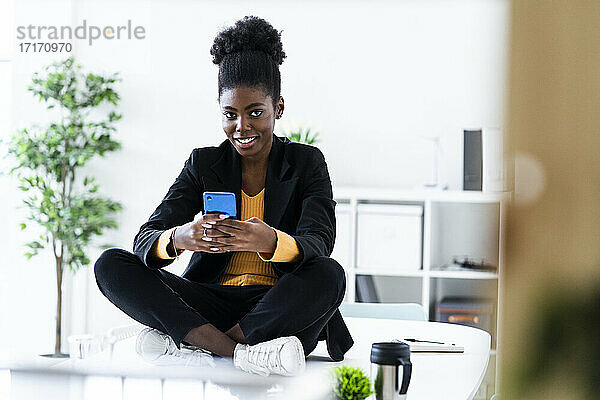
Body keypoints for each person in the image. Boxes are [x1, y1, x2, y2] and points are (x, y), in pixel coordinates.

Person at [94, 15, 353, 377]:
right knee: (110, 264)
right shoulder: (205, 163)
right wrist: (180, 237)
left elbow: (319, 241)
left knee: (330, 275)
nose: (242, 127)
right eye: (230, 114)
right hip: (209, 301)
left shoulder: (306, 162)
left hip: (278, 305)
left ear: (278, 108)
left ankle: (202, 346)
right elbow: (145, 239)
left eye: (255, 113)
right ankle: (239, 354)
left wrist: (272, 242)